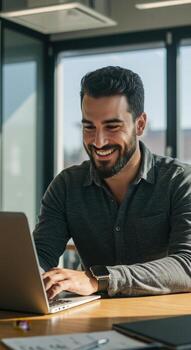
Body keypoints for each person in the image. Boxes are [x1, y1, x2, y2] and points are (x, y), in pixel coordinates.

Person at [34, 66, 191, 300]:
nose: (98, 141)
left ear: (140, 124)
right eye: (89, 127)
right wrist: (29, 275)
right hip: (89, 320)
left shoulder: (179, 181)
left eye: (112, 126)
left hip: (162, 321)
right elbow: (41, 255)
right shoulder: (66, 186)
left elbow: (186, 265)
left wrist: (99, 279)